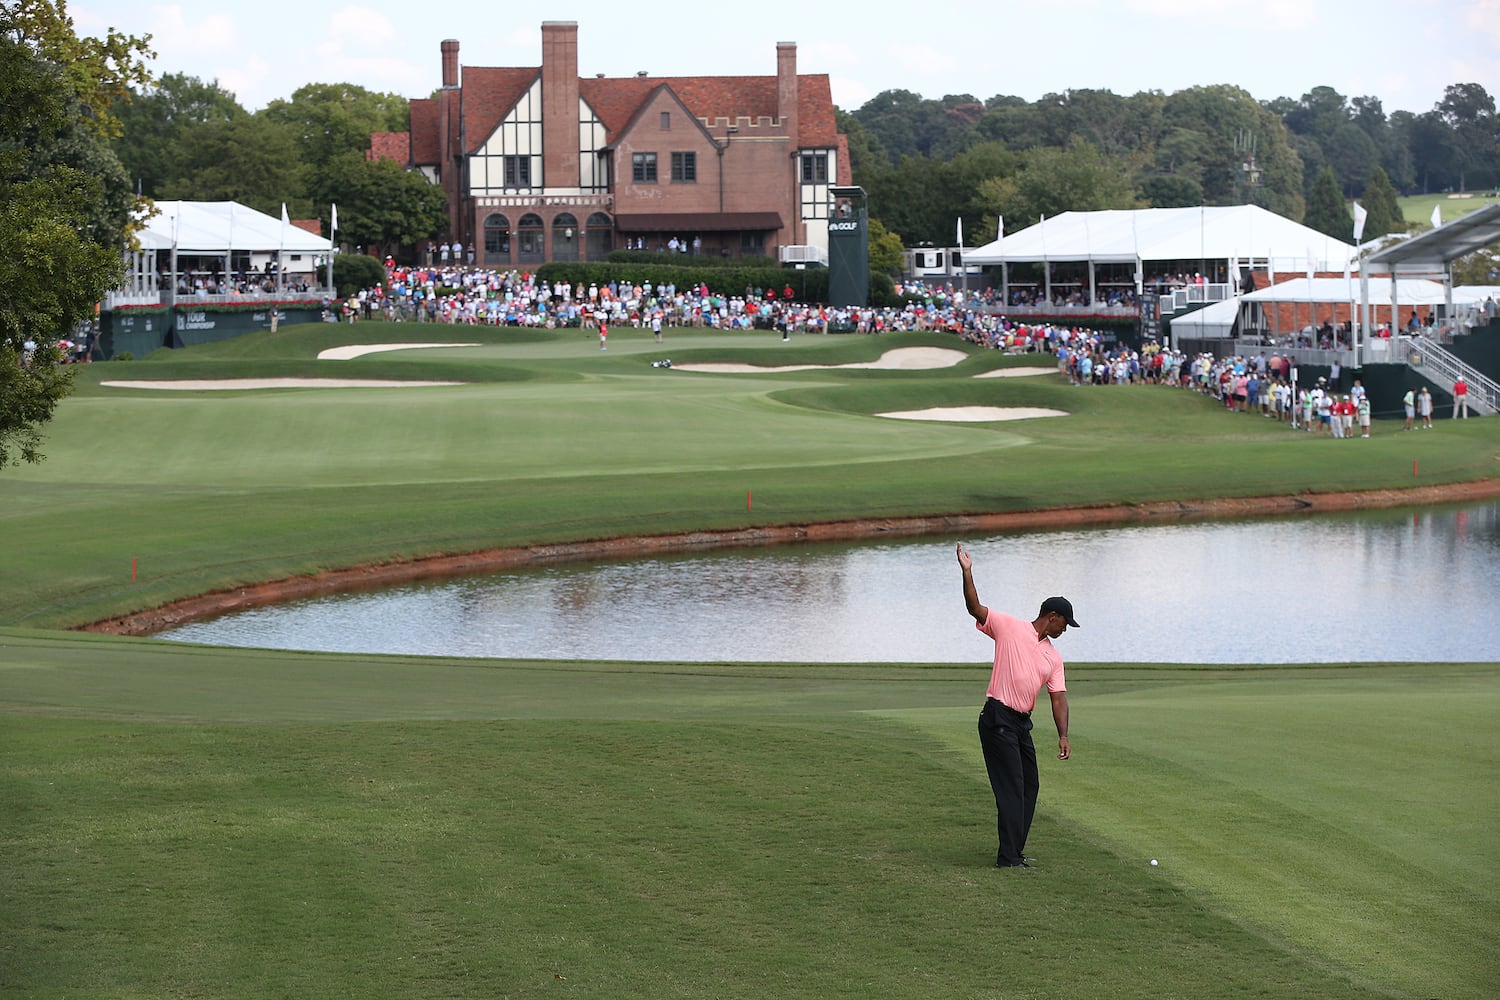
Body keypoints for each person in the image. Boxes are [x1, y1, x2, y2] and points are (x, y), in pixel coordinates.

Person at [957, 542, 1072, 869]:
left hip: (1022, 724)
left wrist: (1063, 735)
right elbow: (975, 608)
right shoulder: (1009, 627)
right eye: (1065, 624)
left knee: (1030, 785)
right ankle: (1008, 858)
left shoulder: (1053, 656)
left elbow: (1058, 697)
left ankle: (1014, 851)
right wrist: (968, 572)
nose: (1065, 630)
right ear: (1052, 617)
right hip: (997, 718)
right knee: (1012, 786)